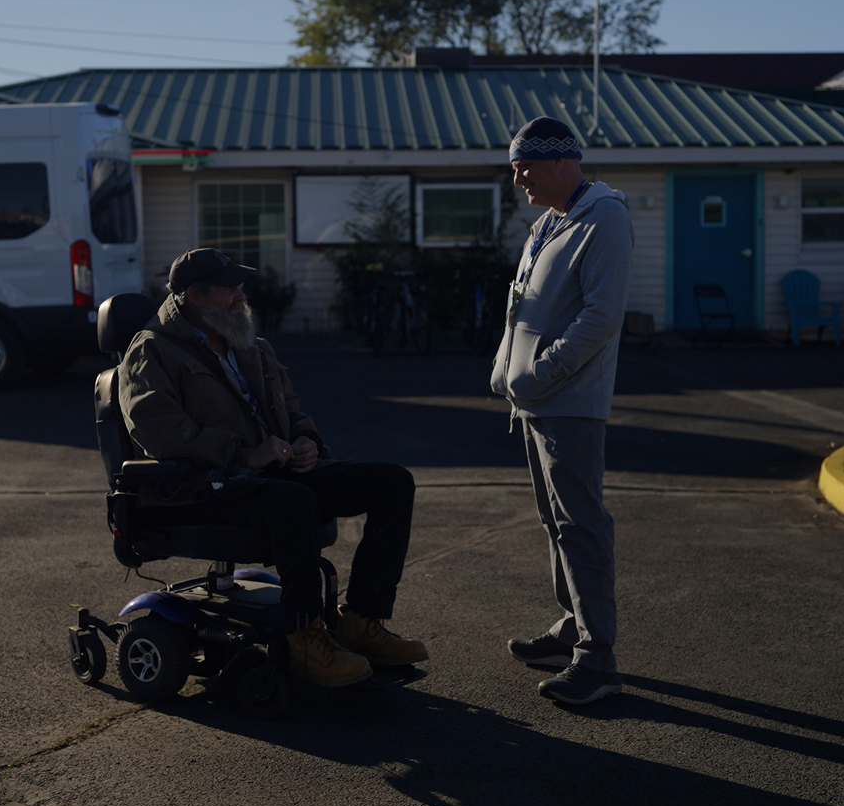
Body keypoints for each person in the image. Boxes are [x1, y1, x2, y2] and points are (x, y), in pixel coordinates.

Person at [117, 248, 428, 688]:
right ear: (195, 297)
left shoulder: (248, 343)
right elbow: (163, 435)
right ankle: (304, 639)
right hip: (203, 487)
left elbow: (293, 410)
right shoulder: (150, 352)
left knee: (392, 483)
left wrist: (307, 442)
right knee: (293, 502)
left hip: (267, 476)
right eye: (230, 289)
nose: (241, 296)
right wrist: (245, 454)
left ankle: (362, 622)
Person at [490, 116, 634, 705]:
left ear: (558, 162)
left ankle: (597, 658)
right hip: (535, 401)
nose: (518, 179)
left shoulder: (605, 219)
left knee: (581, 523)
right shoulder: (550, 223)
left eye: (523, 168)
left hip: (568, 400)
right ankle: (572, 626)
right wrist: (512, 373)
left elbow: (600, 317)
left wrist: (543, 369)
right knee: (555, 523)